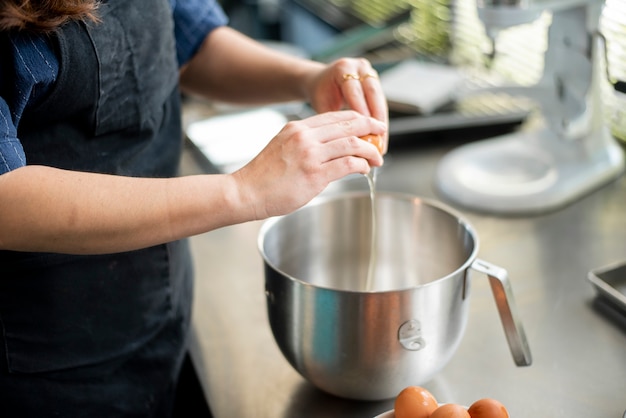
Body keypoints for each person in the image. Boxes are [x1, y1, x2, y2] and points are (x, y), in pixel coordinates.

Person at [0, 0, 388, 416]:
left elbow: (192, 44)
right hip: (42, 360)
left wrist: (308, 79)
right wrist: (243, 191)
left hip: (157, 309)